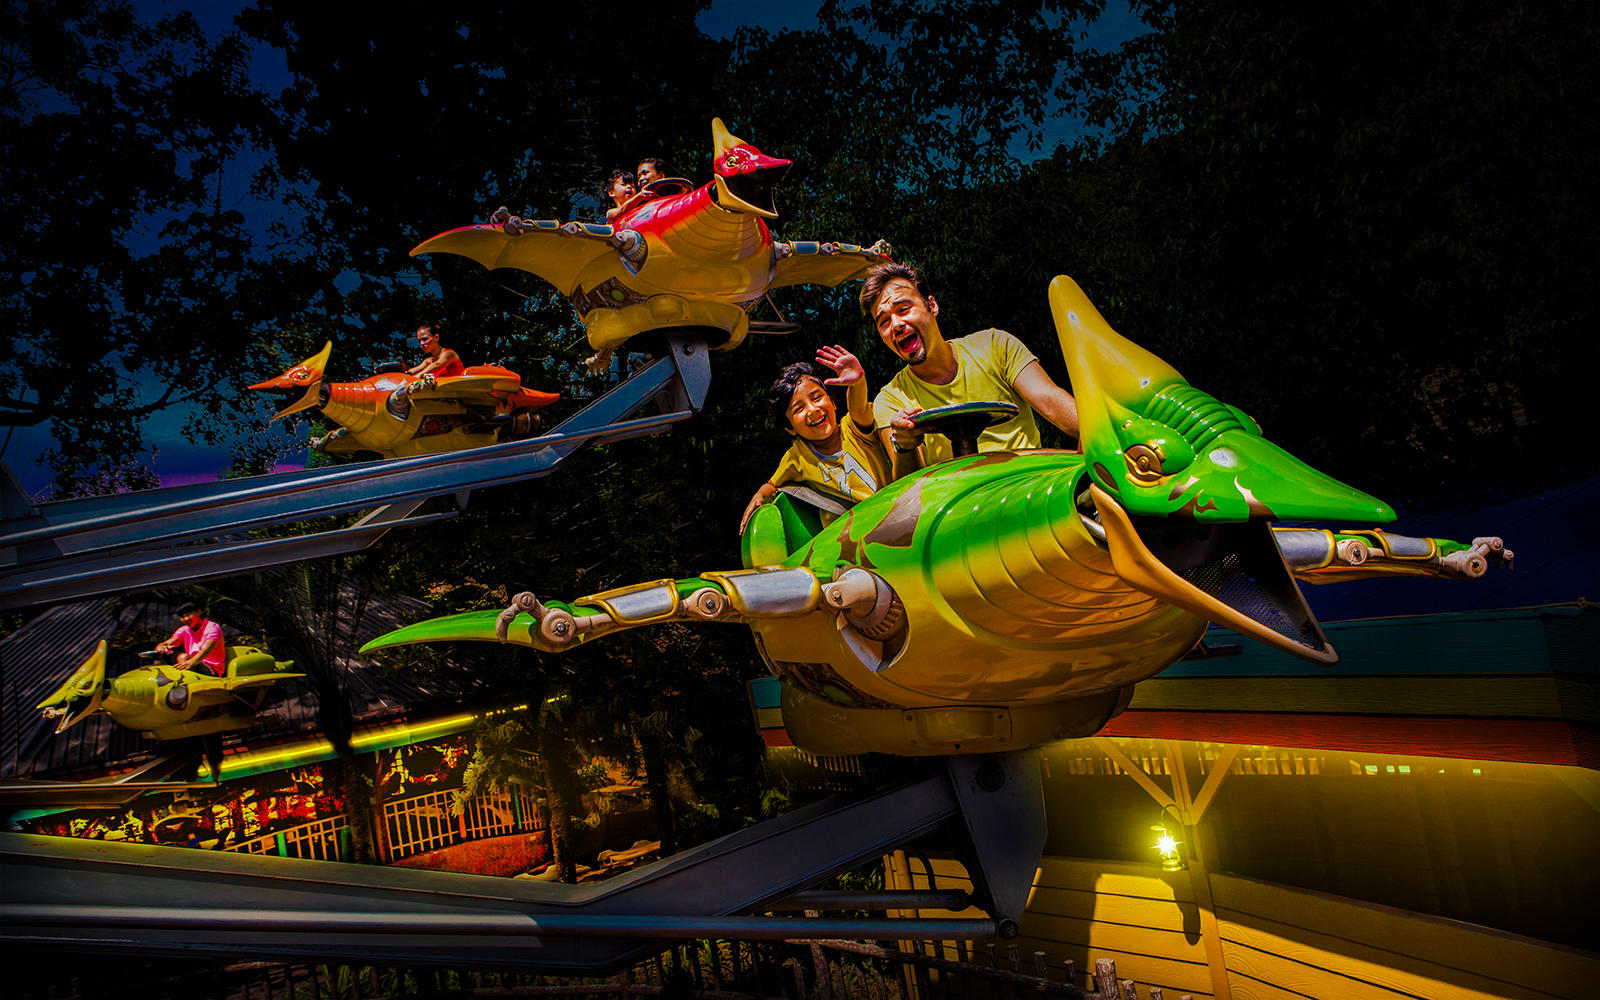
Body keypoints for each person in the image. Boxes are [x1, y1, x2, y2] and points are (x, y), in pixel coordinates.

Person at [862, 263, 1080, 478]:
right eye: (884, 321)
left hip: (1030, 486)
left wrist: (1101, 433)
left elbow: (1050, 401)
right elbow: (909, 490)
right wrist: (904, 446)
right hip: (960, 507)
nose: (897, 324)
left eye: (904, 309)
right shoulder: (890, 400)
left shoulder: (995, 345)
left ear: (932, 305)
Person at [741, 346, 891, 533]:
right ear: (790, 428)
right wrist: (760, 495)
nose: (812, 409)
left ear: (833, 402)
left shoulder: (854, 429)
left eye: (817, 397)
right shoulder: (798, 457)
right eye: (799, 409)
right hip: (847, 541)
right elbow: (772, 485)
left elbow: (858, 408)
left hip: (890, 519)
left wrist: (857, 382)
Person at [155, 602, 228, 677]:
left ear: (198, 612)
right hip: (192, 666)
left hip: (211, 670)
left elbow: (206, 649)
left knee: (183, 657)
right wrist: (161, 646)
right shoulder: (184, 630)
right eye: (182, 617)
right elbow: (170, 642)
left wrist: (191, 662)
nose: (186, 619)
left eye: (188, 615)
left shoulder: (212, 627)